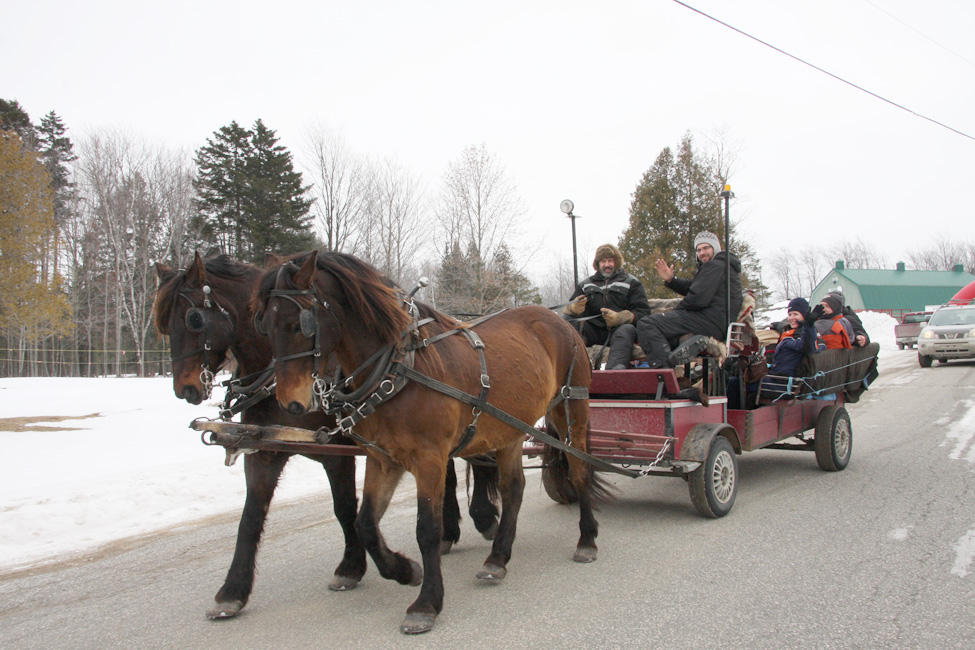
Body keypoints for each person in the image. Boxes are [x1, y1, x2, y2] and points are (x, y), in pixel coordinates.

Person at [636, 230, 742, 368]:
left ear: (715, 247)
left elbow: (697, 298)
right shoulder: (721, 267)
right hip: (716, 323)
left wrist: (674, 312)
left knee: (647, 324)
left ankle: (663, 371)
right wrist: (671, 280)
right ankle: (689, 340)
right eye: (699, 250)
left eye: (706, 248)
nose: (702, 253)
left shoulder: (715, 266)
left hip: (709, 320)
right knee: (665, 332)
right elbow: (694, 287)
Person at [563, 243, 651, 369]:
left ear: (617, 262)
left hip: (620, 331)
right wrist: (573, 308)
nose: (607, 265)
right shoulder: (586, 285)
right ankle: (567, 367)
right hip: (594, 330)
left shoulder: (631, 283)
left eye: (610, 261)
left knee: (626, 329)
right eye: (603, 261)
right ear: (598, 264)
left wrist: (621, 317)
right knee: (567, 322)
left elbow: (644, 313)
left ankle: (615, 371)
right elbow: (571, 310)